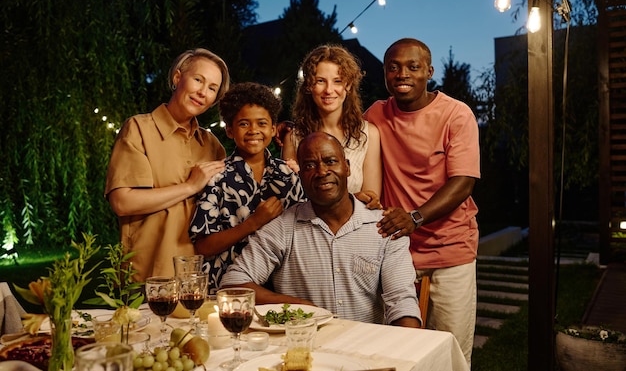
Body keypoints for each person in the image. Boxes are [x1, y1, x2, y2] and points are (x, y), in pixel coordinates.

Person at [221, 132, 421, 327]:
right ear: (300, 175)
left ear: (347, 167)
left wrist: (407, 352)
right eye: (309, 165)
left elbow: (402, 302)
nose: (322, 171)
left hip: (366, 349)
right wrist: (296, 305)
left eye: (331, 161)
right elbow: (233, 284)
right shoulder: (282, 228)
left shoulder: (384, 228)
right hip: (303, 349)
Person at [364, 38, 480, 365]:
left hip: (450, 250)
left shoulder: (456, 114)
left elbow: (463, 182)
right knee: (396, 354)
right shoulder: (375, 114)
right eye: (394, 67)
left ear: (429, 71)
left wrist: (414, 218)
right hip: (395, 252)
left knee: (449, 353)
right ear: (385, 73)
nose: (403, 74)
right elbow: (342, 139)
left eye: (413, 67)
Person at [105, 48, 229, 282]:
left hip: (199, 278)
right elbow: (122, 202)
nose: (203, 92)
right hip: (148, 277)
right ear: (177, 78)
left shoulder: (212, 145)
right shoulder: (139, 129)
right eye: (198, 80)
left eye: (212, 88)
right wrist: (190, 187)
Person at [188, 82, 306, 293]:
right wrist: (253, 223)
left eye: (261, 123)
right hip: (225, 290)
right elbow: (202, 247)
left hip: (280, 288)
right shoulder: (217, 177)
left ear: (272, 128)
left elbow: (305, 233)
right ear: (230, 130)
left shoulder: (288, 176)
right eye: (244, 124)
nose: (254, 131)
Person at [281, 44, 382, 205]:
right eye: (320, 81)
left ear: (348, 85)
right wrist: (353, 198)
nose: (329, 90)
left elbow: (372, 200)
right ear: (309, 85)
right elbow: (291, 203)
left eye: (337, 81)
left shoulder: (369, 134)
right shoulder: (294, 138)